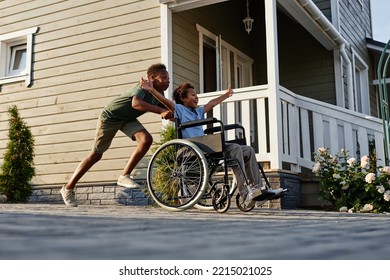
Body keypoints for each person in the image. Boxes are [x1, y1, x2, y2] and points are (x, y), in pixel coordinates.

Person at [141, 79, 284, 207]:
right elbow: (166, 102)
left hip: (206, 145)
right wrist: (151, 90)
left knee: (248, 150)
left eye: (196, 95)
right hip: (194, 147)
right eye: (192, 95)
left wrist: (226, 95)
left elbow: (212, 103)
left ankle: (257, 189)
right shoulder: (180, 110)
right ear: (183, 98)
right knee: (234, 149)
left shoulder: (198, 112)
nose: (196, 97)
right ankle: (245, 193)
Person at [61, 63, 173, 207]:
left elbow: (170, 111)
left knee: (146, 140)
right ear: (152, 78)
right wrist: (160, 111)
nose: (168, 80)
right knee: (96, 155)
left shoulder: (159, 94)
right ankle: (68, 188)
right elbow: (136, 104)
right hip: (110, 117)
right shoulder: (141, 87)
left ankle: (123, 176)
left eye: (168, 78)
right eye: (164, 77)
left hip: (127, 119)